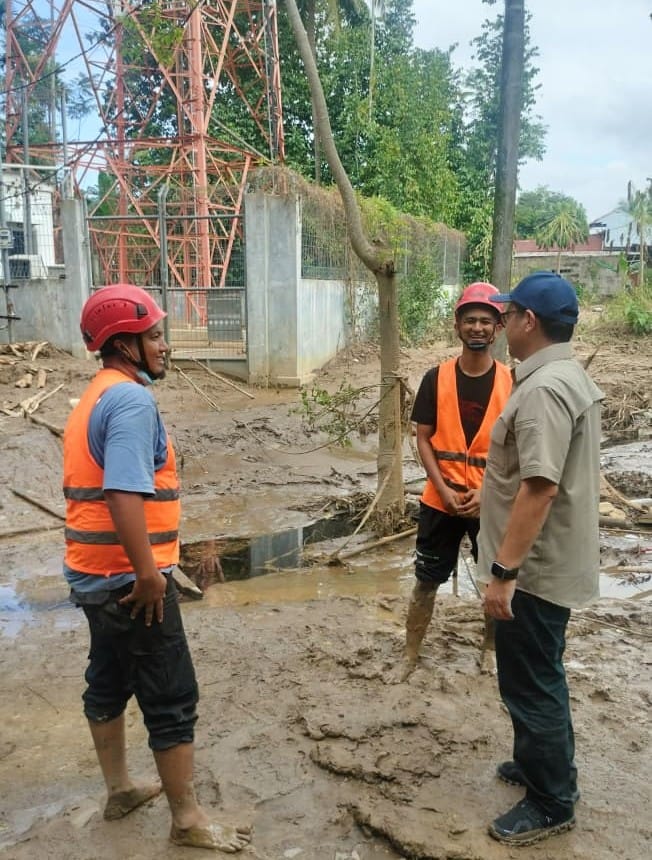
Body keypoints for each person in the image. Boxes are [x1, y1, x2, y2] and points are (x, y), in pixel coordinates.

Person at [62, 284, 251, 853]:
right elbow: (122, 493)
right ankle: (188, 821)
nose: (165, 346)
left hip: (92, 575)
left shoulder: (96, 394)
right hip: (129, 580)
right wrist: (150, 576)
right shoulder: (132, 402)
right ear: (123, 344)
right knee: (171, 696)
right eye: (155, 336)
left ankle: (119, 789)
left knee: (109, 679)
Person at [478, 271, 603, 846]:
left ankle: (552, 800)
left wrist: (504, 573)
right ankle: (538, 767)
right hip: (545, 564)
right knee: (531, 676)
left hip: (533, 571)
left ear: (528, 321)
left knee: (532, 684)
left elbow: (539, 488)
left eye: (508, 314)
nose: (500, 324)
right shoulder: (563, 376)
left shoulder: (544, 389)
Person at [393, 282, 512, 681]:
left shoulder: (513, 383)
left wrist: (488, 493)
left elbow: (517, 450)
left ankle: (490, 651)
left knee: (495, 582)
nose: (477, 328)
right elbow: (422, 438)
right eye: (470, 320)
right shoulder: (436, 378)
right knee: (425, 582)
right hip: (438, 501)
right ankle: (410, 653)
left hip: (490, 503)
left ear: (497, 329)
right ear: (457, 325)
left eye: (486, 321)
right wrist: (443, 489)